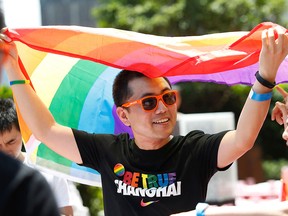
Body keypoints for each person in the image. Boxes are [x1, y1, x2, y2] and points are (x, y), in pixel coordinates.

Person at [0, 25, 287, 216]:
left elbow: (242, 138)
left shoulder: (194, 150)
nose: (162, 108)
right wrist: (13, 66)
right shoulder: (107, 150)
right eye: (148, 102)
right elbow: (46, 130)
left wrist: (263, 80)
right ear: (123, 114)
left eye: (168, 98)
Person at [0, 98, 74, 216]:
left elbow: (67, 213)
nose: (4, 150)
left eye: (11, 142)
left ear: (22, 132)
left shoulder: (49, 169)